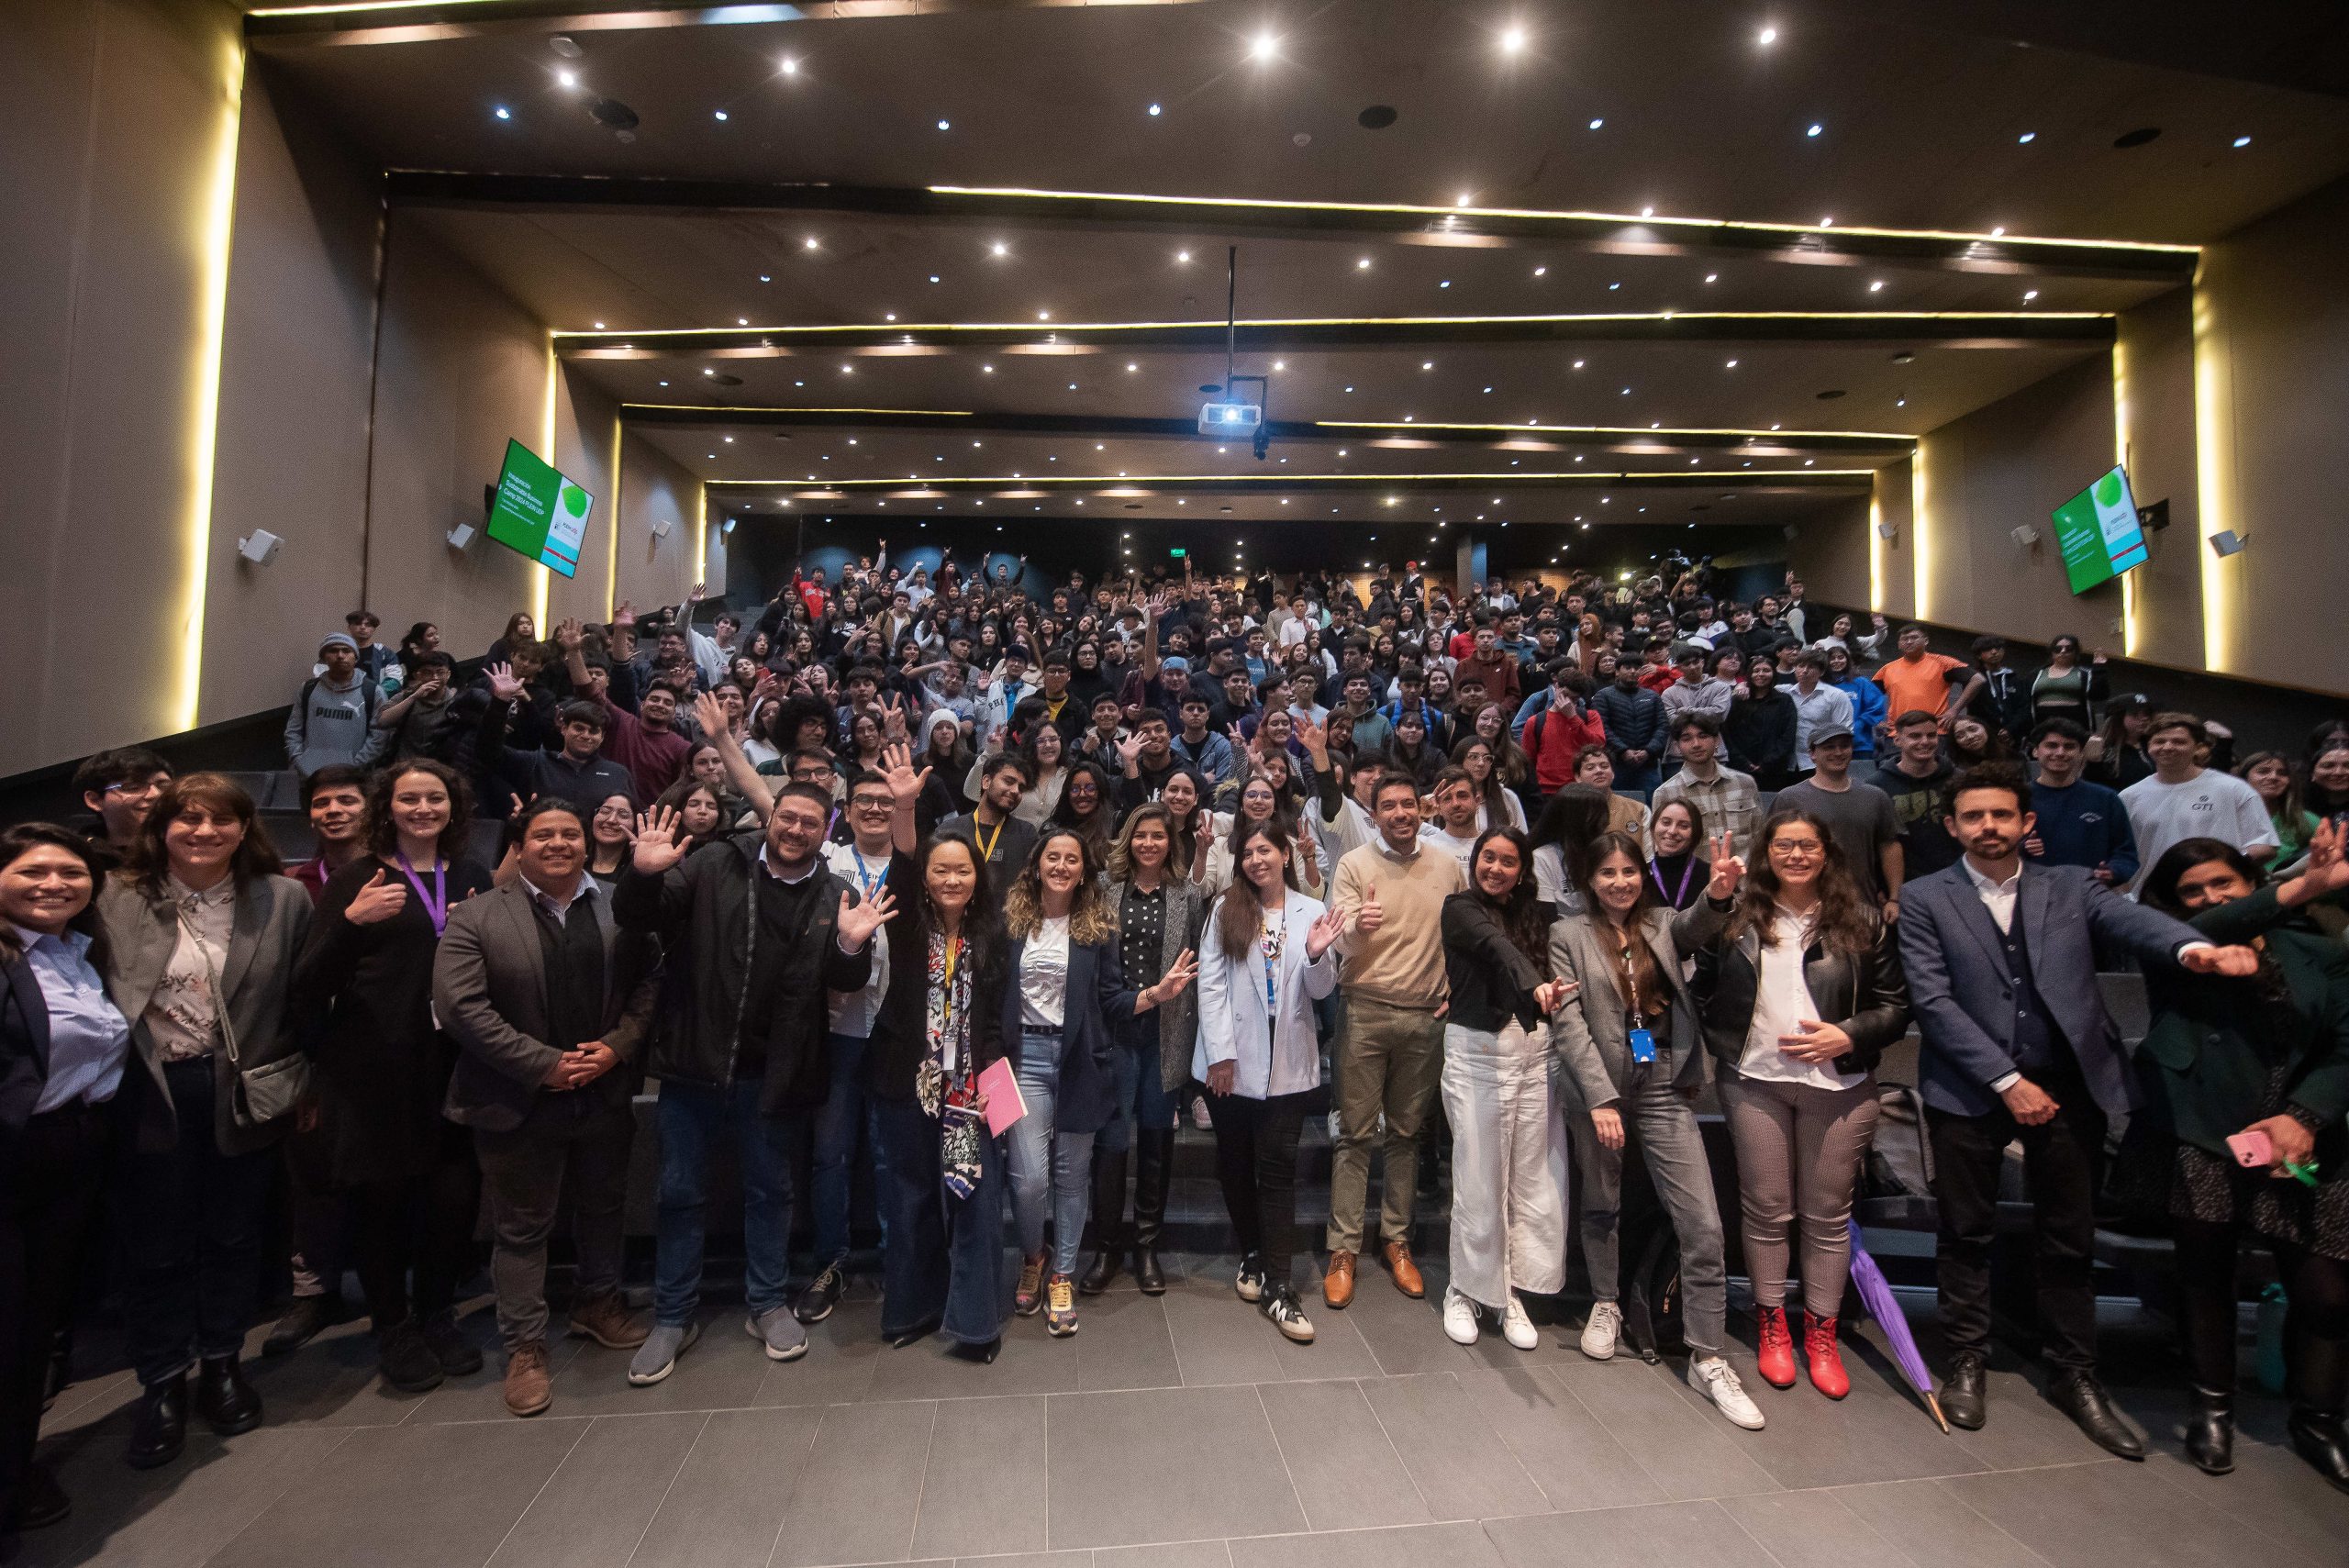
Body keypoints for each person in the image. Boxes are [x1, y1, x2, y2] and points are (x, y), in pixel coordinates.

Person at [1898, 763, 2259, 1455]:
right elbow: (1933, 1001)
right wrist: (2006, 1079)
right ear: (1951, 825)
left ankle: (2074, 1371)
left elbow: (2137, 921)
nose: (1989, 827)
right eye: (1973, 816)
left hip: (2070, 1082)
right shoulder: (1924, 896)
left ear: (2026, 821)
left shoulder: (2068, 886)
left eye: (2002, 814)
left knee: (2070, 1237)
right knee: (1964, 1233)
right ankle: (1966, 1360)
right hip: (1971, 1087)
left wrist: (2194, 948)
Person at [615, 782, 886, 1383]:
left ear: (826, 829)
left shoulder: (833, 890)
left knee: (771, 1194)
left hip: (775, 1072)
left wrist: (849, 943)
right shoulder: (715, 862)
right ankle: (672, 1315)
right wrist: (642, 874)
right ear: (771, 817)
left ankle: (765, 1303)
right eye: (786, 817)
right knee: (680, 1193)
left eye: (809, 822)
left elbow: (846, 977)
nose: (794, 829)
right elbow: (639, 917)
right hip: (694, 1063)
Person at [2119, 828, 2349, 1486]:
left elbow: (2346, 1044)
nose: (2211, 898)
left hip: (2305, 1131)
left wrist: (2304, 1116)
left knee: (2328, 1292)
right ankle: (2211, 1407)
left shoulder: (2319, 950)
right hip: (2204, 1130)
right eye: (2191, 891)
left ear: (2251, 882)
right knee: (2205, 1276)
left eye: (2225, 882)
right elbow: (2211, 927)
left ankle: (2320, 1420)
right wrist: (2299, 884)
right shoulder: (2172, 949)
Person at [95, 775, 313, 1468]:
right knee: (155, 1245)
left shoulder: (282, 898)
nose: (205, 831)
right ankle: (161, 1380)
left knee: (232, 1233)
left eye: (223, 819)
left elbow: (303, 997)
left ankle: (222, 1361)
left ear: (245, 828)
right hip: (149, 1088)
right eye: (188, 818)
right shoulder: (115, 898)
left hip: (241, 1090)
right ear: (162, 827)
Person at [433, 797, 660, 1419]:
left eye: (569, 833)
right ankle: (525, 1345)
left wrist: (615, 1048)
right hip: (516, 1097)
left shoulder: (618, 904)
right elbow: (460, 1006)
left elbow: (650, 981)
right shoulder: (478, 913)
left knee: (604, 1205)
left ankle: (597, 1302)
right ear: (520, 844)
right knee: (522, 1227)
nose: (558, 843)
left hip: (603, 1090)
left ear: (587, 843)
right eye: (543, 835)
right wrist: (544, 1064)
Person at [1679, 810, 1910, 1399]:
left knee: (1827, 1217)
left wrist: (1849, 1034)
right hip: (1755, 1081)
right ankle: (1773, 1325)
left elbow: (1896, 1004)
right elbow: (1698, 985)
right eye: (1784, 845)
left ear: (1827, 853)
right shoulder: (1738, 916)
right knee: (1766, 1210)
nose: (1797, 855)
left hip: (1840, 1088)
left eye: (1808, 845)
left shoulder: (1861, 918)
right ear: (1767, 853)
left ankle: (1822, 1334)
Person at [289, 761, 495, 1393]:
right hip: (374, 1065)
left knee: (451, 1199)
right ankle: (393, 1325)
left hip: (453, 1063)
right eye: (410, 797)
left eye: (436, 797)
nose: (423, 807)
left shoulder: (471, 874)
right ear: (389, 805)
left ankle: (436, 1313)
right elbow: (306, 984)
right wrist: (353, 922)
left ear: (454, 808)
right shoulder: (358, 877)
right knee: (382, 1202)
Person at [1547, 831, 1762, 1429]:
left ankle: (1708, 1354)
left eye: (1629, 871)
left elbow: (1697, 925)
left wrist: (1719, 894)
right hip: (1602, 1092)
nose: (1620, 882)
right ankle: (1607, 1301)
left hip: (1665, 1084)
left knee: (1704, 1223)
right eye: (1607, 872)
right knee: (1602, 1201)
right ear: (1590, 878)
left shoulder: (1663, 923)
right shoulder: (1566, 935)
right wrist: (1601, 1099)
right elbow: (1569, 1026)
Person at [1000, 829, 1194, 1338]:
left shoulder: (1095, 928)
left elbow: (1111, 1000)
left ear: (1084, 870)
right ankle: (1033, 1256)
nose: (1061, 866)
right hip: (1024, 1059)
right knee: (1028, 1180)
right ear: (1037, 865)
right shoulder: (1012, 921)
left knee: (1070, 1175)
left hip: (1081, 1059)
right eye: (1052, 857)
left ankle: (1061, 1272)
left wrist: (1157, 993)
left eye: (1071, 859)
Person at [0, 826, 131, 1533]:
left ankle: (17, 1468)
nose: (55, 883)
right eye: (35, 871)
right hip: (14, 1156)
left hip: (71, 1152)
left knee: (34, 1326)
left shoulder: (79, 953)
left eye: (72, 873)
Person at [1196, 818, 1348, 1341]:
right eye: (1247, 853)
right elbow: (1211, 986)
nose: (1256, 860)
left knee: (1278, 1170)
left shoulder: (1311, 911)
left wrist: (1317, 951)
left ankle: (1281, 1288)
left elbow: (1322, 990)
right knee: (1235, 1165)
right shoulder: (1225, 908)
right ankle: (1253, 1254)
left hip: (1286, 1064)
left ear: (1286, 854)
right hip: (1231, 1065)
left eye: (1266, 850)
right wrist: (1219, 1055)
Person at [1324, 774, 1466, 1308]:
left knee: (1407, 1135)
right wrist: (1361, 925)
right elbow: (1336, 936)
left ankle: (1396, 1241)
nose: (1401, 813)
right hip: (1364, 1008)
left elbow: (1462, 936)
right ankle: (1344, 1249)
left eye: (1409, 803)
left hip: (1426, 1016)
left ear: (1421, 807)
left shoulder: (1449, 866)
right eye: (1389, 805)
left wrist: (1459, 991)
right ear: (1375, 811)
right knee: (1355, 1135)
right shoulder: (1354, 865)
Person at [1437, 828, 1572, 1349]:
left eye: (1508, 861)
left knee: (1533, 1178)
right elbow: (1496, 949)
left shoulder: (1541, 914)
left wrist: (1551, 988)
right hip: (1477, 1054)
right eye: (1487, 858)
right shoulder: (1459, 907)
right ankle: (1464, 1291)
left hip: (1536, 1055)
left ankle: (1509, 1291)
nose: (1496, 868)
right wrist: (1533, 984)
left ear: (1522, 869)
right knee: (1479, 1178)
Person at [796, 767, 905, 1325]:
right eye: (864, 800)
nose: (875, 809)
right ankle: (831, 1263)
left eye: (886, 801)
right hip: (837, 1029)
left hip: (895, 1035)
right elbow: (770, 804)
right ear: (847, 807)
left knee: (890, 1155)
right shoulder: (828, 864)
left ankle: (898, 1258)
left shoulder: (912, 863)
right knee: (831, 1155)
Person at [1085, 805, 1204, 1296]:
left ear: (1170, 843)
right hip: (1114, 1032)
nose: (1149, 844)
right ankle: (1108, 1245)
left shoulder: (1189, 895)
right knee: (1111, 1144)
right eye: (1140, 835)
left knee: (1156, 1142)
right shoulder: (1102, 889)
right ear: (1127, 840)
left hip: (1165, 1034)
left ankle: (1147, 1244)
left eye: (1158, 836)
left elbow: (1200, 967)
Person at [2121, 712, 2277, 893]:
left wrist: (2217, 871)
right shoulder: (2129, 796)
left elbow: (2264, 847)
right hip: (2151, 898)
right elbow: (2121, 854)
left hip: (2215, 896)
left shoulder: (2233, 788)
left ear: (2198, 748)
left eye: (2179, 742)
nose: (2168, 747)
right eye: (2159, 741)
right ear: (2149, 746)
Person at [1771, 727, 1900, 911]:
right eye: (1829, 747)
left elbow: (1889, 846)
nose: (1838, 752)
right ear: (1812, 754)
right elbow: (1771, 852)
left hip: (1862, 906)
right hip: (1803, 909)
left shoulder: (1875, 797)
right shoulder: (1789, 798)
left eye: (1844, 746)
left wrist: (1894, 898)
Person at [2021, 718, 2139, 887]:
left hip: (2091, 895)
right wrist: (2022, 848)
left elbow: (2126, 853)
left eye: (2069, 747)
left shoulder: (2106, 799)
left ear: (2081, 753)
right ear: (2035, 751)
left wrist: (2114, 871)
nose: (2060, 752)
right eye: (2052, 746)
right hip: (2032, 895)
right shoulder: (2017, 798)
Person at [1650, 712, 1761, 858]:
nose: (1696, 744)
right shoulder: (1665, 793)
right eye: (1687, 738)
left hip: (1744, 877)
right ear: (1677, 747)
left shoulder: (1745, 783)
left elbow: (1760, 836)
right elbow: (1661, 849)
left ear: (1717, 740)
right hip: (1697, 879)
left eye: (1703, 736)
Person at [1874, 710, 1961, 882]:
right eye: (1915, 736)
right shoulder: (1877, 786)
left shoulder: (1961, 780)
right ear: (1897, 740)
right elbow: (1877, 842)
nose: (1925, 742)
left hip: (1958, 879)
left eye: (1931, 735)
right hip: (1905, 885)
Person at [72, 748, 173, 873]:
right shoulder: (77, 860)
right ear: (95, 801)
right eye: (133, 787)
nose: (156, 794)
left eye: (164, 786)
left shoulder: (192, 845)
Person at [938, 753, 1038, 876]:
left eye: (1021, 788)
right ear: (986, 782)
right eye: (1008, 781)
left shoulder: (1027, 834)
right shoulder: (950, 830)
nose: (1016, 791)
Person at [1590, 657, 1668, 797]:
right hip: (1616, 764)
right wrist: (1623, 750)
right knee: (1618, 810)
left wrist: (1648, 750)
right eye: (1627, 668)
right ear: (1617, 672)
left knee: (1652, 809)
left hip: (1647, 764)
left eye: (1636, 668)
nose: (1633, 671)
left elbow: (1662, 727)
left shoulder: (1653, 696)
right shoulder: (1603, 696)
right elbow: (1602, 727)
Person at [1872, 624, 1965, 735]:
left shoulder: (1943, 663)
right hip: (1898, 734)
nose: (1909, 641)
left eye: (1914, 637)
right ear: (1899, 644)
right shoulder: (1887, 669)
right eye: (1904, 639)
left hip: (1935, 732)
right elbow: (1866, 696)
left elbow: (1977, 679)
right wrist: (1876, 721)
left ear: (1926, 641)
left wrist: (1954, 710)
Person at [2240, 750, 2321, 874]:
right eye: (2263, 771)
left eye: (2282, 773)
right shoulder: (2224, 816)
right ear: (2244, 778)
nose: (2273, 777)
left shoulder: (2307, 819)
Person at [1722, 659, 1798, 790]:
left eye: (1766, 670)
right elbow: (1727, 734)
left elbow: (1788, 735)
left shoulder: (1784, 701)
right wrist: (1742, 761)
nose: (1761, 674)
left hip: (1774, 769)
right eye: (1756, 671)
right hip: (1739, 767)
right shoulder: (1738, 701)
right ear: (1750, 674)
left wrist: (1768, 761)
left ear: (1774, 674)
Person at [1642, 797, 1710, 911]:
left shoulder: (1710, 876)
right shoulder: (1639, 875)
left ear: (1695, 832)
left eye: (1683, 826)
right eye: (1666, 823)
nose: (1672, 831)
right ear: (1653, 826)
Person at [2029, 635, 2109, 730]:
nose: (2063, 651)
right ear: (2052, 653)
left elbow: (2100, 695)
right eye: (2058, 649)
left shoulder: (2084, 674)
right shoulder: (2037, 674)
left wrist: (2099, 668)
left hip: (2075, 725)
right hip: (2042, 724)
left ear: (2075, 652)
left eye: (2069, 648)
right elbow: (2026, 702)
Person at [1418, 765, 1484, 873]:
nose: (1455, 804)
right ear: (1438, 807)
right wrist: (1420, 815)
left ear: (1477, 801)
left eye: (1462, 796)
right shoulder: (1424, 845)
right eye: (1447, 798)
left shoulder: (1491, 845)